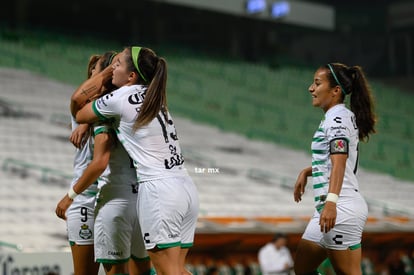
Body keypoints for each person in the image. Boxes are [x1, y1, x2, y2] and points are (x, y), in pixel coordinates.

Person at [74, 46, 200, 275]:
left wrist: (100, 75)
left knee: (168, 272)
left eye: (118, 64)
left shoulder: (120, 98)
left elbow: (78, 108)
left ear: (131, 76)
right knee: (178, 271)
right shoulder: (155, 98)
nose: (113, 68)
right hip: (186, 188)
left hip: (160, 191)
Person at [56, 51, 152, 275]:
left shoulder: (116, 107)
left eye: (98, 71)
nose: (92, 75)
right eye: (93, 70)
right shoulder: (85, 110)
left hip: (113, 196)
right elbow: (79, 107)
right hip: (88, 199)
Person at [293, 62, 377, 275]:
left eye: (317, 83)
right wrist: (307, 171)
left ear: (336, 91)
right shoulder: (336, 117)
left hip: (341, 208)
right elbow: (333, 160)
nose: (311, 88)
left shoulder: (337, 119)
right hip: (329, 208)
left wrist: (332, 204)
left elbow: (339, 161)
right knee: (302, 269)